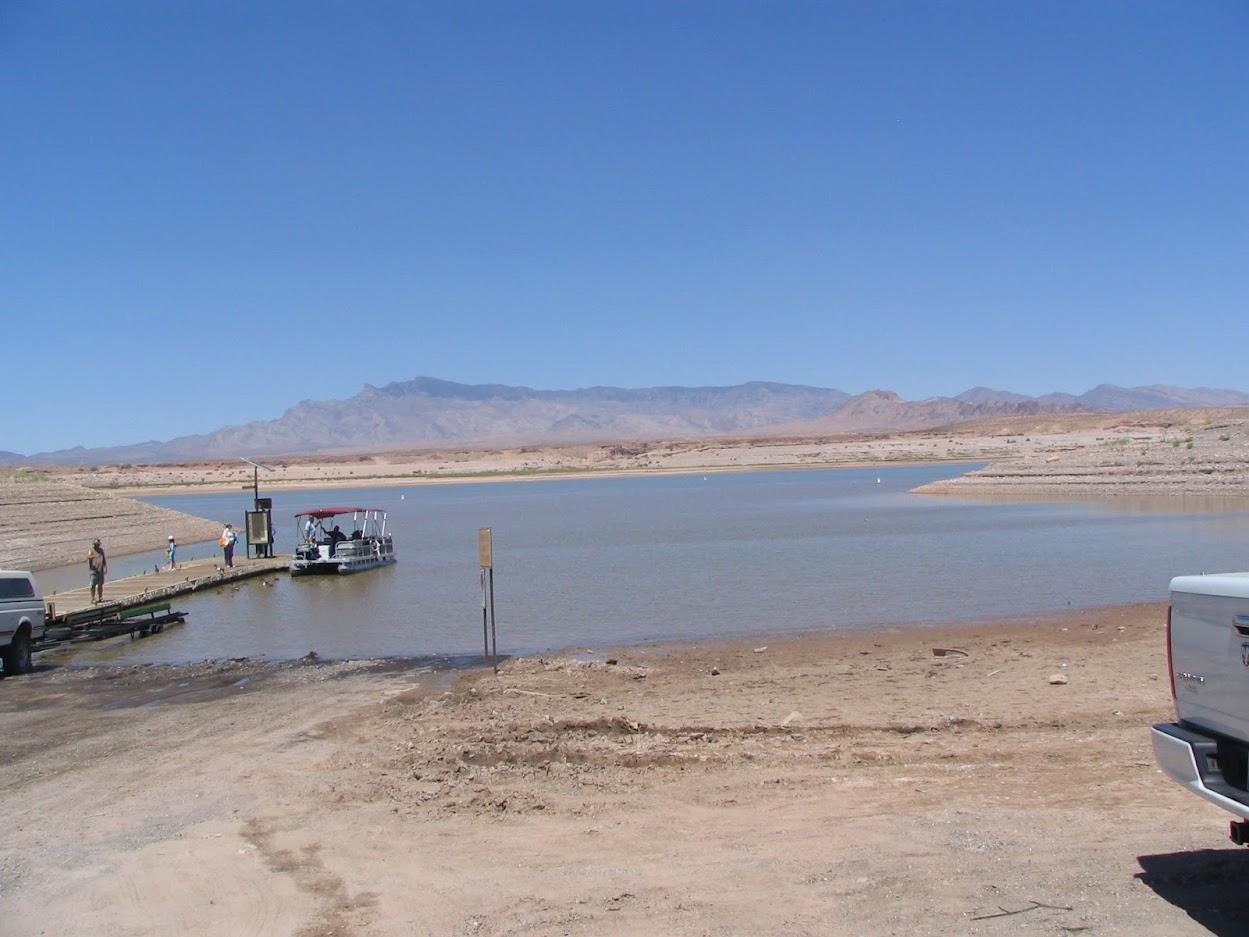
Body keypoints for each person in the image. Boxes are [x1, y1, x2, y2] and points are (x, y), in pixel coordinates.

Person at [87, 538, 108, 603]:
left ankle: (100, 597)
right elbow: (88, 556)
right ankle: (93, 598)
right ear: (94, 544)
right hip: (93, 570)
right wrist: (93, 556)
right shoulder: (91, 550)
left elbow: (104, 559)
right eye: (96, 544)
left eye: (98, 544)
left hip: (100, 569)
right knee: (93, 585)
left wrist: (105, 568)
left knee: (100, 585)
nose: (97, 545)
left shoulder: (101, 550)